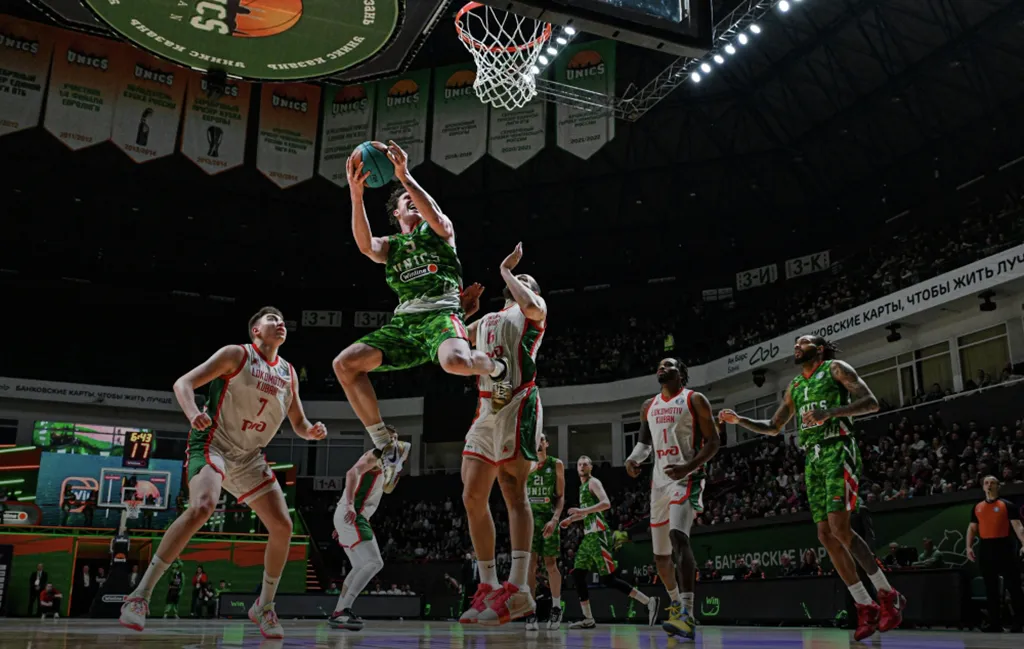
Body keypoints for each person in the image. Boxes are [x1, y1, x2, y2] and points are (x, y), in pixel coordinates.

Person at [120, 307, 328, 639]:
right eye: (271, 319)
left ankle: (264, 606)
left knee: (283, 526)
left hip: (249, 457)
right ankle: (139, 595)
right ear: (255, 330)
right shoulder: (236, 355)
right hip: (213, 442)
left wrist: (311, 431)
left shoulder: (289, 373)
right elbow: (183, 383)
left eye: (282, 320)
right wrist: (193, 413)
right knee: (203, 506)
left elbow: (299, 422)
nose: (280, 323)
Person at [333, 141, 508, 490]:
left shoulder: (439, 232)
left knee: (454, 362)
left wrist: (404, 176)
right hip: (404, 324)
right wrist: (356, 193)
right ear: (396, 214)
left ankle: (497, 368)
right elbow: (365, 245)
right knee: (345, 364)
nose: (410, 200)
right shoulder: (392, 246)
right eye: (403, 200)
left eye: (413, 198)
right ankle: (387, 445)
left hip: (441, 314)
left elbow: (437, 217)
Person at [719, 335, 906, 641]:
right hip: (813, 458)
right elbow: (774, 427)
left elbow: (871, 403)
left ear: (818, 349)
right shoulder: (795, 385)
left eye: (802, 343)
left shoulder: (835, 368)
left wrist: (830, 413)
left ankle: (888, 595)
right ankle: (865, 605)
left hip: (838, 448)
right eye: (795, 344)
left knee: (840, 528)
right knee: (825, 535)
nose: (796, 347)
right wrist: (740, 420)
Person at [458, 244, 546, 626]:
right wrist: (463, 311)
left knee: (512, 488)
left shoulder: (533, 309)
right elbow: (451, 340)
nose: (521, 280)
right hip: (486, 407)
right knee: (472, 495)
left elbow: (529, 302)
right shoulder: (488, 320)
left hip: (517, 402)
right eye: (516, 279)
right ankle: (489, 584)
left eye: (527, 279)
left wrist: (508, 271)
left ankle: (520, 589)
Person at [624, 358, 721, 639]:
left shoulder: (694, 400)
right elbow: (644, 444)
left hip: (686, 478)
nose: (661, 368)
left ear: (681, 373)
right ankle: (676, 604)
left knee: (679, 537)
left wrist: (688, 467)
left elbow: (714, 442)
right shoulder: (648, 406)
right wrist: (633, 459)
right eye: (659, 366)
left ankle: (688, 613)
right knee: (660, 556)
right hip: (659, 483)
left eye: (668, 365)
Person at [562, 456, 659, 629]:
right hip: (588, 537)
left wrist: (581, 511)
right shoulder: (582, 487)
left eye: (585, 464)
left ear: (591, 467)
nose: (582, 466)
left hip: (599, 535)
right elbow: (588, 513)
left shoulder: (593, 482)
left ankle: (648, 601)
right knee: (577, 575)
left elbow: (606, 503)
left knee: (608, 579)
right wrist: (571, 519)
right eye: (579, 464)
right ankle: (588, 618)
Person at [328, 442, 393, 631]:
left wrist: (341, 523)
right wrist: (349, 506)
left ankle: (338, 612)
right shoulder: (375, 455)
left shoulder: (385, 462)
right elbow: (351, 473)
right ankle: (344, 609)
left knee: (359, 566)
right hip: (353, 513)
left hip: (350, 516)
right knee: (375, 562)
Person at [967, 475, 1024, 632]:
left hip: (1004, 546)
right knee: (990, 588)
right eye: (986, 483)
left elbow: (1018, 527)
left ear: (998, 486)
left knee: (1013, 586)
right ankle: (995, 623)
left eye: (992, 483)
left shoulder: (1007, 505)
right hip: (986, 547)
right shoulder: (977, 507)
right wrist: (968, 547)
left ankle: (1019, 623)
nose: (989, 485)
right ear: (983, 487)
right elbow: (972, 528)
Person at [524, 432, 565, 631]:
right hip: (529, 521)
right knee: (530, 566)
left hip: (548, 520)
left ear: (546, 443)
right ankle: (530, 610)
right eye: (536, 439)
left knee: (551, 564)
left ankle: (556, 608)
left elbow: (560, 496)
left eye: (541, 439)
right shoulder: (526, 465)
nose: (539, 443)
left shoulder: (556, 464)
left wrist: (555, 519)